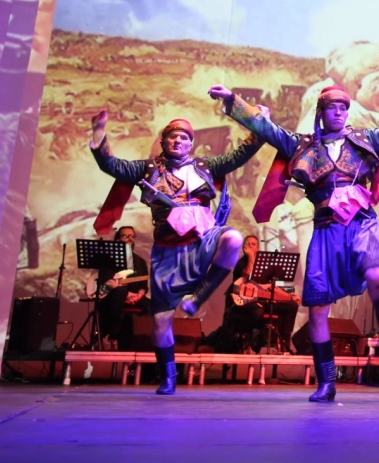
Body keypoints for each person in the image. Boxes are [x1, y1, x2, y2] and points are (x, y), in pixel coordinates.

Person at [212, 81, 379, 403]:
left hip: (360, 223)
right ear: (321, 112)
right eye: (332, 108)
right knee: (317, 309)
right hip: (326, 229)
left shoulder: (366, 139)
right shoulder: (303, 145)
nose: (338, 113)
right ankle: (326, 382)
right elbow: (266, 128)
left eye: (343, 108)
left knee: (376, 275)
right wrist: (233, 100)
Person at [89, 112, 263, 395]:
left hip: (202, 240)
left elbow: (240, 155)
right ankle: (168, 376)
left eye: (183, 137)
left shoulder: (206, 166)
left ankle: (200, 295)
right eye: (172, 136)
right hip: (169, 251)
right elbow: (113, 165)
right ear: (163, 141)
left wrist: (259, 126)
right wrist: (98, 134)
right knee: (161, 322)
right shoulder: (148, 169)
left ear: (191, 143)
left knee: (232, 238)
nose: (178, 140)